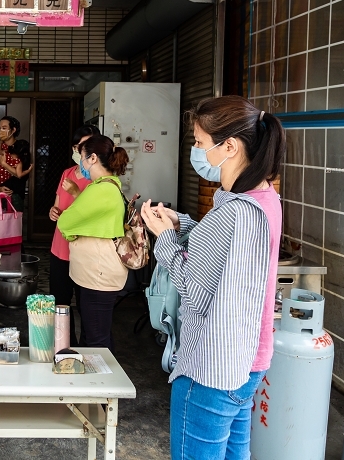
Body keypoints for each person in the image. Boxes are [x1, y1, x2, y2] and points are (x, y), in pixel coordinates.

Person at [140, 95, 284, 460]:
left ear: (230, 147)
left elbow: (195, 291)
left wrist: (165, 238)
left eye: (200, 143)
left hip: (211, 368)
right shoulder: (264, 199)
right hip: (249, 359)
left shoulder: (233, 213)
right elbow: (220, 253)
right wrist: (183, 223)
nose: (196, 151)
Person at [56, 135, 128, 351]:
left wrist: (72, 233)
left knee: (96, 340)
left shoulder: (100, 190)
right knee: (94, 333)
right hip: (98, 271)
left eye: (83, 157)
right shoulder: (107, 185)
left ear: (93, 158)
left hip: (98, 274)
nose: (81, 162)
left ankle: (102, 382)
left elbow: (65, 222)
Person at [48, 125, 101, 346]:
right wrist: (53, 211)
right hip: (59, 248)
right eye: (81, 147)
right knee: (60, 303)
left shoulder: (99, 179)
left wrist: (76, 193)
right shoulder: (67, 173)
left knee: (86, 306)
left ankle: (87, 350)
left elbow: (93, 215)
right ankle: (64, 346)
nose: (84, 152)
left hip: (84, 252)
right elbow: (58, 207)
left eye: (89, 147)